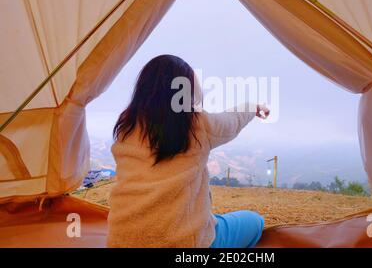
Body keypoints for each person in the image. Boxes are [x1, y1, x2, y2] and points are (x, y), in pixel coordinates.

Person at [107, 54, 269, 248]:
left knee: (213, 219)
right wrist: (254, 107)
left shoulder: (126, 126)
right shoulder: (196, 124)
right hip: (186, 243)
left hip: (121, 241)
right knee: (255, 221)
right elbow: (231, 120)